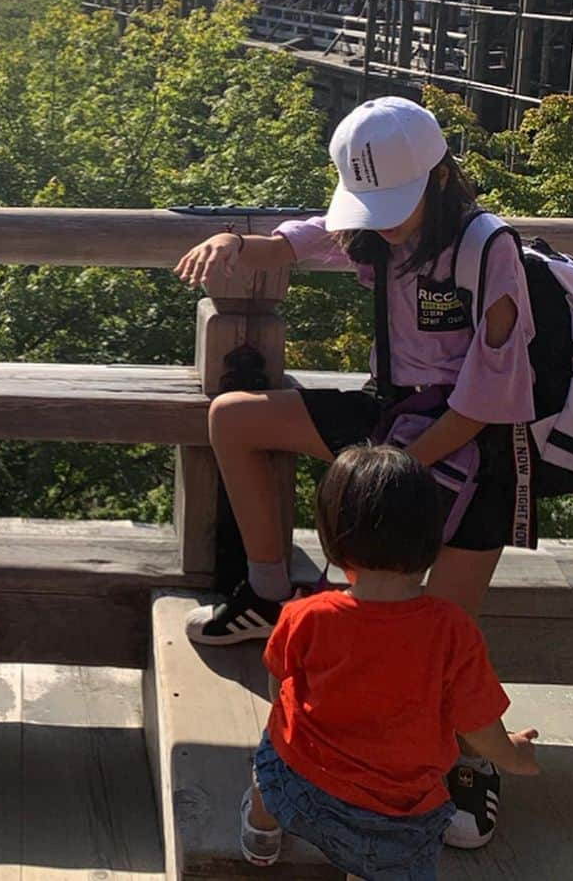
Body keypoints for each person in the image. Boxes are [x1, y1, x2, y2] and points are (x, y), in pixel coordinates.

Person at [174, 96, 537, 850]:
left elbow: (484, 401)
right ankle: (271, 592)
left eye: (392, 205)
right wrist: (237, 242)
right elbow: (309, 238)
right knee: (234, 418)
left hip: (474, 445)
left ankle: (469, 762)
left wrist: (388, 473)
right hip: (391, 412)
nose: (381, 220)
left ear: (439, 179)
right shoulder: (373, 231)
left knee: (442, 630)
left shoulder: (485, 248)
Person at [241, 444, 539, 878]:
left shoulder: (305, 615)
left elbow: (278, 688)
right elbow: (477, 728)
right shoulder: (451, 632)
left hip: (296, 785)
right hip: (394, 820)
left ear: (333, 538)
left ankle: (262, 828)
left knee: (272, 752)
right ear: (432, 538)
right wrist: (515, 755)